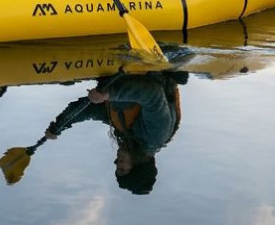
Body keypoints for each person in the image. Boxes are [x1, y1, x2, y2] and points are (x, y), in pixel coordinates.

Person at [40, 72, 185, 194]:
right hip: (148, 68)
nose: (116, 162)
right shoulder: (155, 135)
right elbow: (153, 94)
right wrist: (110, 93)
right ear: (138, 167)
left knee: (65, 80)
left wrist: (59, 125)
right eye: (121, 168)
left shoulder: (129, 137)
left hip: (121, 70)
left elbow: (90, 110)